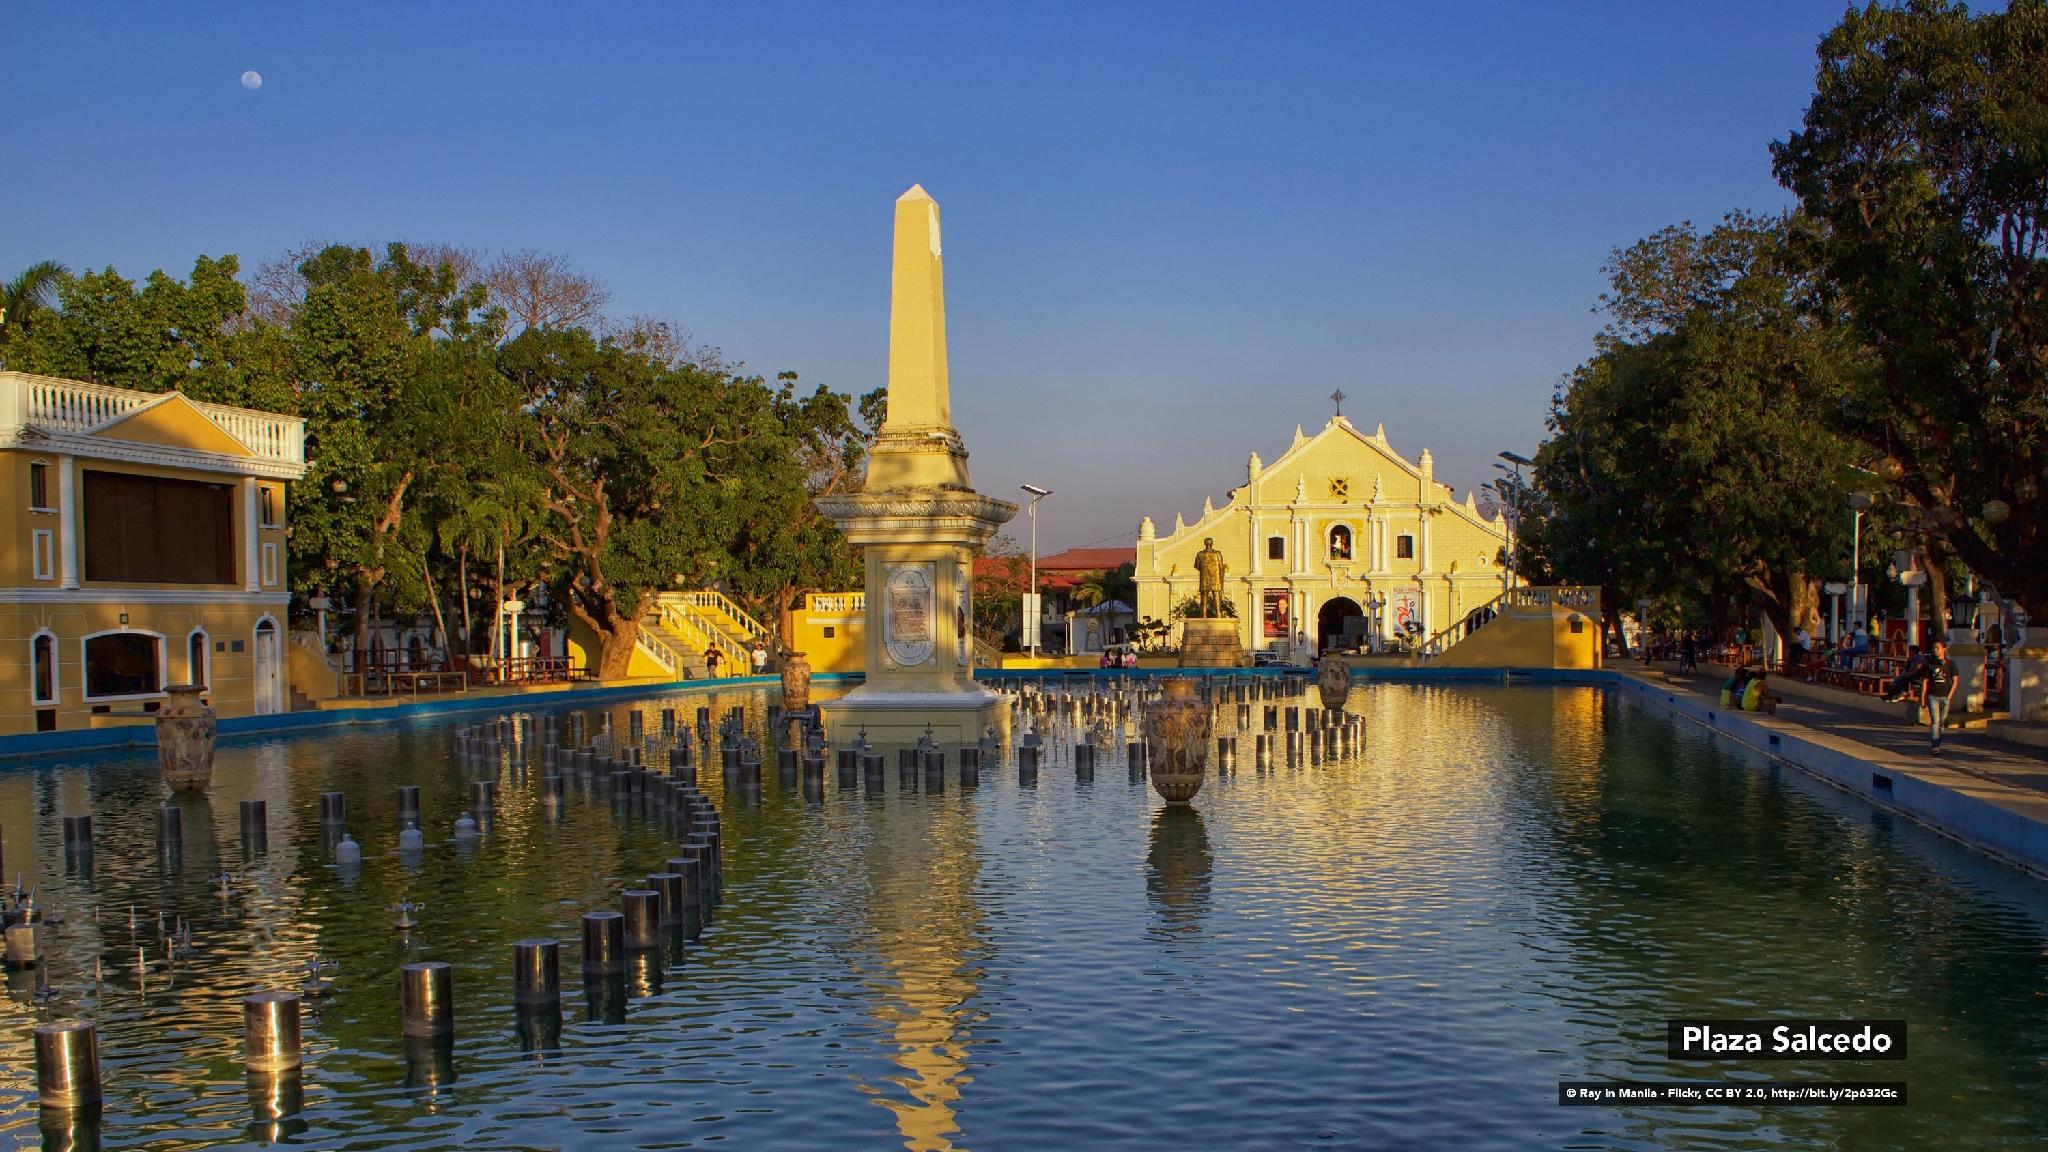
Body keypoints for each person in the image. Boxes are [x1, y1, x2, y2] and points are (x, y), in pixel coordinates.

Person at [1922, 638, 1959, 754]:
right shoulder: (1929, 665)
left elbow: (1955, 681)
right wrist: (1922, 697)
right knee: (1935, 721)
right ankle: (1935, 745)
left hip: (1945, 696)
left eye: (1937, 648)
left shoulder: (1950, 665)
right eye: (1933, 648)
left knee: (1942, 722)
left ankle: (1938, 738)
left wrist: (1949, 695)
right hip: (1933, 695)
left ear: (1944, 649)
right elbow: (1925, 682)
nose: (1935, 650)